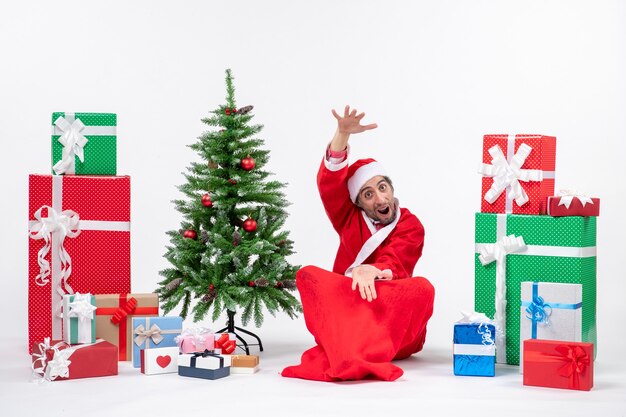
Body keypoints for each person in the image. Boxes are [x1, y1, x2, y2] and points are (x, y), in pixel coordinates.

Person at [281, 105, 435, 382]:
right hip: (351, 307)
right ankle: (355, 348)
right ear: (357, 203)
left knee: (422, 288)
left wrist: (374, 270)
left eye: (382, 188)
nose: (379, 199)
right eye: (368, 194)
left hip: (389, 316)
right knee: (308, 275)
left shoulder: (410, 224)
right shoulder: (347, 218)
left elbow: (399, 259)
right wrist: (342, 134)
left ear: (391, 188)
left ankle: (352, 349)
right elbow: (328, 183)